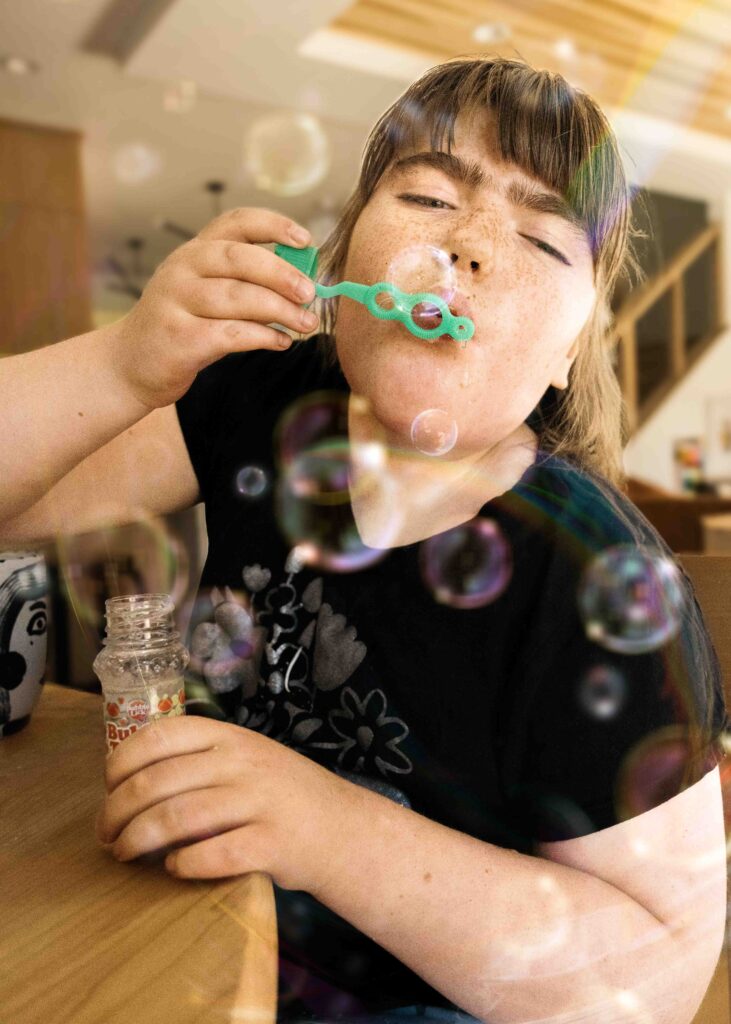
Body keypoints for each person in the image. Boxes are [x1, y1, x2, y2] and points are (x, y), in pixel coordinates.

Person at [1, 56, 728, 1023]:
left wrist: (326, 830)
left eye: (541, 240)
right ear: (343, 260)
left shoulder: (591, 571)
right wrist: (124, 362)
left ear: (564, 356)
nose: (467, 245)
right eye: (428, 193)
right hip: (193, 932)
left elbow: (662, 979)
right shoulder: (264, 395)